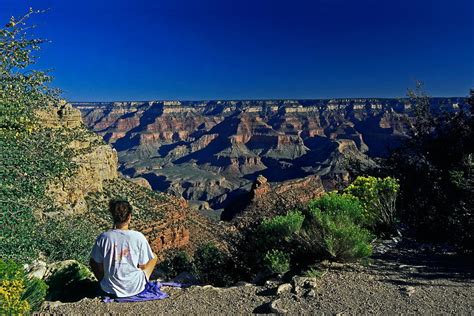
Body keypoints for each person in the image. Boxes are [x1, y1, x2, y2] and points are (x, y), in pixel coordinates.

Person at [89, 199, 158, 298]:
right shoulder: (138, 237)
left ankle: (104, 283)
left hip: (109, 288)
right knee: (154, 257)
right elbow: (142, 266)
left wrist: (104, 277)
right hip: (136, 288)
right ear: (129, 217)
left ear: (113, 216)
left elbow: (95, 263)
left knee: (93, 260)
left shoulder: (103, 237)